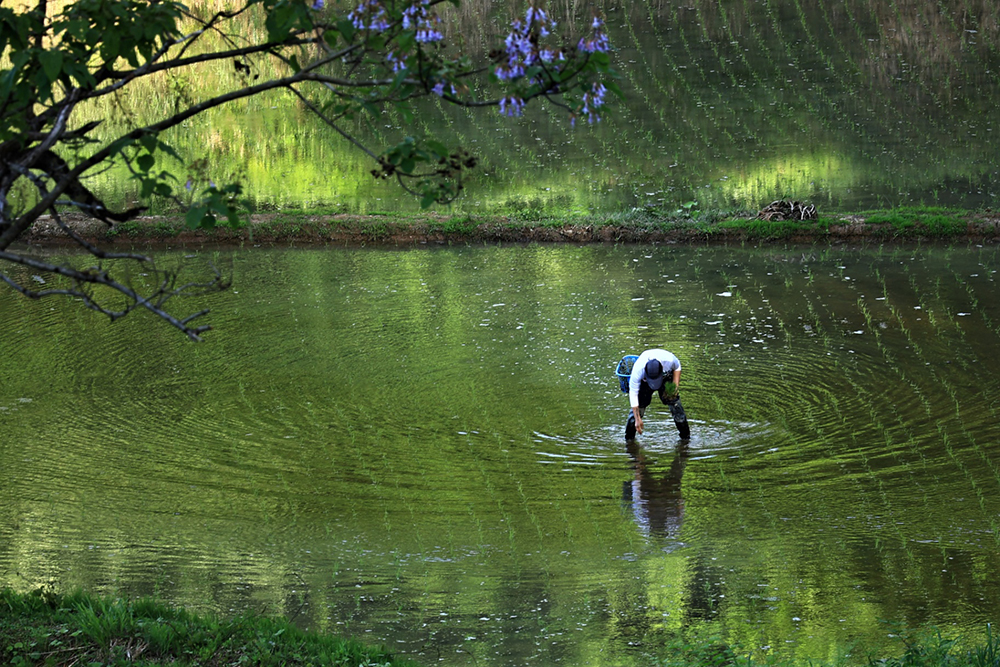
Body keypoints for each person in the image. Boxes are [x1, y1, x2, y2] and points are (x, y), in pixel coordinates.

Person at [626, 348, 690, 440]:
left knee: (675, 405)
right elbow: (633, 394)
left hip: (665, 378)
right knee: (637, 412)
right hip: (644, 384)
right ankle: (629, 440)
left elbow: (677, 367)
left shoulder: (669, 360)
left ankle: (686, 439)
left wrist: (675, 387)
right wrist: (637, 418)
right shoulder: (638, 370)